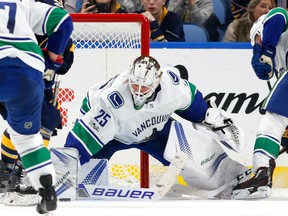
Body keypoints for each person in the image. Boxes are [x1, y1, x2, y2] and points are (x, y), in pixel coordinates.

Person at [63, 56, 246, 195]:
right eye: (135, 86)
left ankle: (238, 179)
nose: (139, 92)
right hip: (113, 136)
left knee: (196, 163)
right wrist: (64, 170)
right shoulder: (112, 101)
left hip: (153, 132)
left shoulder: (172, 86)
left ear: (157, 80)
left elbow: (193, 104)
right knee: (85, 185)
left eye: (144, 87)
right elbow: (83, 138)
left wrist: (211, 117)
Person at [0, 0, 73, 213]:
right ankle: (46, 190)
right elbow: (64, 20)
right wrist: (51, 59)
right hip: (29, 76)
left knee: (46, 120)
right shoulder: (25, 7)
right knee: (28, 140)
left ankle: (7, 169)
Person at [231, 7, 288, 199]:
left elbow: (279, 16)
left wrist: (266, 51)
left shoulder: (274, 19)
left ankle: (261, 172)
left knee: (273, 119)